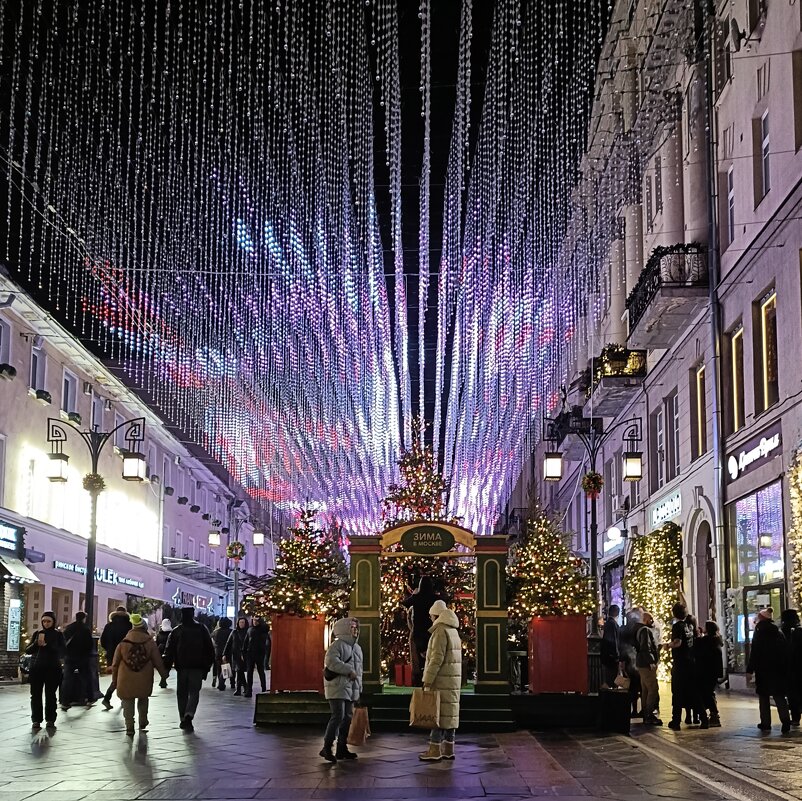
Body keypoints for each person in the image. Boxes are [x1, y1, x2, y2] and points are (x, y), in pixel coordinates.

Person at [419, 599, 462, 762]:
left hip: (441, 680)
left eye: (431, 616)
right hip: (452, 681)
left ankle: (434, 749)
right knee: (449, 715)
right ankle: (448, 748)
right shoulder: (453, 630)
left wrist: (427, 679)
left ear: (435, 615)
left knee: (437, 715)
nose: (431, 619)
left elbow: (436, 658)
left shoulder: (440, 631)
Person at [112, 613, 168, 735]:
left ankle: (129, 726)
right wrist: (164, 674)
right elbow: (158, 661)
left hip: (125, 677)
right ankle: (143, 720)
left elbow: (115, 663)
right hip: (144, 676)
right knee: (143, 698)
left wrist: (114, 679)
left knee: (127, 701)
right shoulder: (150, 643)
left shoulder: (123, 643)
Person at [162, 607, 215, 731]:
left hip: (182, 667)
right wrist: (207, 667)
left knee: (182, 693)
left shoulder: (176, 631)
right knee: (194, 692)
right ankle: (189, 714)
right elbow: (209, 649)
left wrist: (166, 669)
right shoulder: (202, 629)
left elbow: (169, 651)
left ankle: (182, 717)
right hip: (197, 667)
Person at [320, 617, 363, 763]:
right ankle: (327, 747)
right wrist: (348, 670)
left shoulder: (357, 648)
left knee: (347, 717)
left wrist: (358, 689)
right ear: (344, 629)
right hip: (337, 686)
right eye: (352, 627)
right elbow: (331, 662)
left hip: (349, 688)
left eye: (356, 627)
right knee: (338, 715)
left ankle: (341, 747)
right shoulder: (337, 645)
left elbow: (359, 671)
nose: (355, 630)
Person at [747, 607, 791, 733]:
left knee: (764, 697)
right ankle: (786, 721)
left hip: (763, 669)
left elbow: (755, 651)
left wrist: (750, 669)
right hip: (778, 670)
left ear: (762, 618)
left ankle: (766, 723)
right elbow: (785, 651)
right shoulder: (778, 631)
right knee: (779, 696)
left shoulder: (759, 630)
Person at [668, 603, 707, 729]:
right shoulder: (690, 626)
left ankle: (676, 721)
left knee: (677, 693)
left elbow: (677, 643)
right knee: (694, 692)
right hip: (691, 663)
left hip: (680, 664)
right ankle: (704, 718)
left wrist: (667, 645)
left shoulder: (677, 627)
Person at [26, 611, 66, 731]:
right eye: (44, 621)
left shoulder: (58, 635)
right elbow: (28, 650)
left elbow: (62, 651)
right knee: (35, 695)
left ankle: (50, 719)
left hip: (52, 669)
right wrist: (36, 644)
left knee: (50, 695)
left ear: (53, 621)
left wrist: (47, 645)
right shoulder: (38, 633)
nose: (46, 623)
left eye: (48, 621)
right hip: (37, 668)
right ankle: (36, 720)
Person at [401, 576, 439, 686]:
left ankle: (417, 680)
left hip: (418, 631)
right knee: (431, 656)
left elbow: (405, 603)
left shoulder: (416, 598)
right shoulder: (434, 598)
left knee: (417, 658)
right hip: (431, 631)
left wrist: (414, 595)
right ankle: (430, 680)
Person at [60, 611, 94, 708]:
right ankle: (88, 699)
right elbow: (89, 644)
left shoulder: (69, 628)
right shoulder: (85, 629)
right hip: (82, 658)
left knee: (67, 679)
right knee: (86, 678)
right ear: (84, 618)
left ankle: (65, 701)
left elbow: (63, 641)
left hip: (70, 657)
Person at [100, 605, 131, 709]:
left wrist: (109, 650)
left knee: (116, 677)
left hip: (112, 655)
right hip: (126, 655)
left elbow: (103, 641)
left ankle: (110, 698)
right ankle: (116, 699)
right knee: (125, 677)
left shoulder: (109, 626)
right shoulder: (129, 626)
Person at [694, 620, 724, 727]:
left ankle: (714, 716)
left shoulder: (706, 641)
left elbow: (697, 650)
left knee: (707, 693)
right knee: (710, 692)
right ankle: (714, 715)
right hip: (713, 672)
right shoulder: (717, 640)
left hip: (706, 671)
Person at [635, 610, 661, 725]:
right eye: (650, 619)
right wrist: (651, 661)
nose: (652, 621)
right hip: (646, 664)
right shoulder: (645, 630)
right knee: (653, 689)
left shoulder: (640, 630)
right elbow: (646, 647)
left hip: (641, 663)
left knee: (645, 689)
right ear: (646, 620)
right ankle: (649, 714)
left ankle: (646, 713)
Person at [620, 607, 643, 717]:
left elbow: (621, 646)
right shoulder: (639, 630)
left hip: (630, 661)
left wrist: (622, 661)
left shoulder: (624, 629)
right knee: (640, 686)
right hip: (636, 661)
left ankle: (632, 709)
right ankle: (641, 710)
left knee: (632, 686)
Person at [780, 609, 802, 726]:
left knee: (792, 694)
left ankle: (795, 718)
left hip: (790, 669)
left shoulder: (783, 632)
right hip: (799, 668)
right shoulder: (799, 631)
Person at [244, 616, 271, 697]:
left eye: (256, 621)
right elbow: (246, 641)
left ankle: (263, 688)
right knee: (249, 672)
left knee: (261, 671)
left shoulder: (263, 629)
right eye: (254, 620)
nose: (254, 622)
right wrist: (244, 651)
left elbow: (266, 628)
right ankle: (249, 690)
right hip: (250, 653)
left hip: (260, 653)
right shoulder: (250, 629)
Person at [224, 616, 249, 696]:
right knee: (239, 671)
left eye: (243, 622)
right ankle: (243, 687)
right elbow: (228, 643)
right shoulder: (234, 632)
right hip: (235, 655)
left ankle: (240, 688)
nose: (241, 624)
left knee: (240, 671)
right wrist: (224, 654)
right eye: (240, 622)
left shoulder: (247, 632)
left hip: (243, 655)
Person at [600, 604, 621, 689]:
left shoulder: (609, 623)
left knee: (610, 677)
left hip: (608, 656)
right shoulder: (612, 624)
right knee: (612, 678)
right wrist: (616, 654)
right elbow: (613, 640)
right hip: (611, 657)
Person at [212, 617, 232, 691]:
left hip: (218, 652)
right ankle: (223, 683)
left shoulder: (215, 632)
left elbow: (213, 642)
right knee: (226, 667)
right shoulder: (231, 632)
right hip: (227, 652)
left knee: (219, 668)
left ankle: (220, 683)